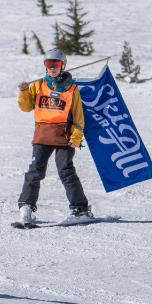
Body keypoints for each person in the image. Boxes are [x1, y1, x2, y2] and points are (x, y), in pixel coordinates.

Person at [16, 48, 92, 225]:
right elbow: (26, 107)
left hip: (64, 136)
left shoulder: (72, 88)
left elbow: (79, 117)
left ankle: (80, 209)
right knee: (35, 170)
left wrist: (76, 138)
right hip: (42, 135)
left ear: (63, 65)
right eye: (48, 64)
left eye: (55, 64)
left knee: (66, 170)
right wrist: (24, 92)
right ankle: (26, 207)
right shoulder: (38, 85)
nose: (52, 67)